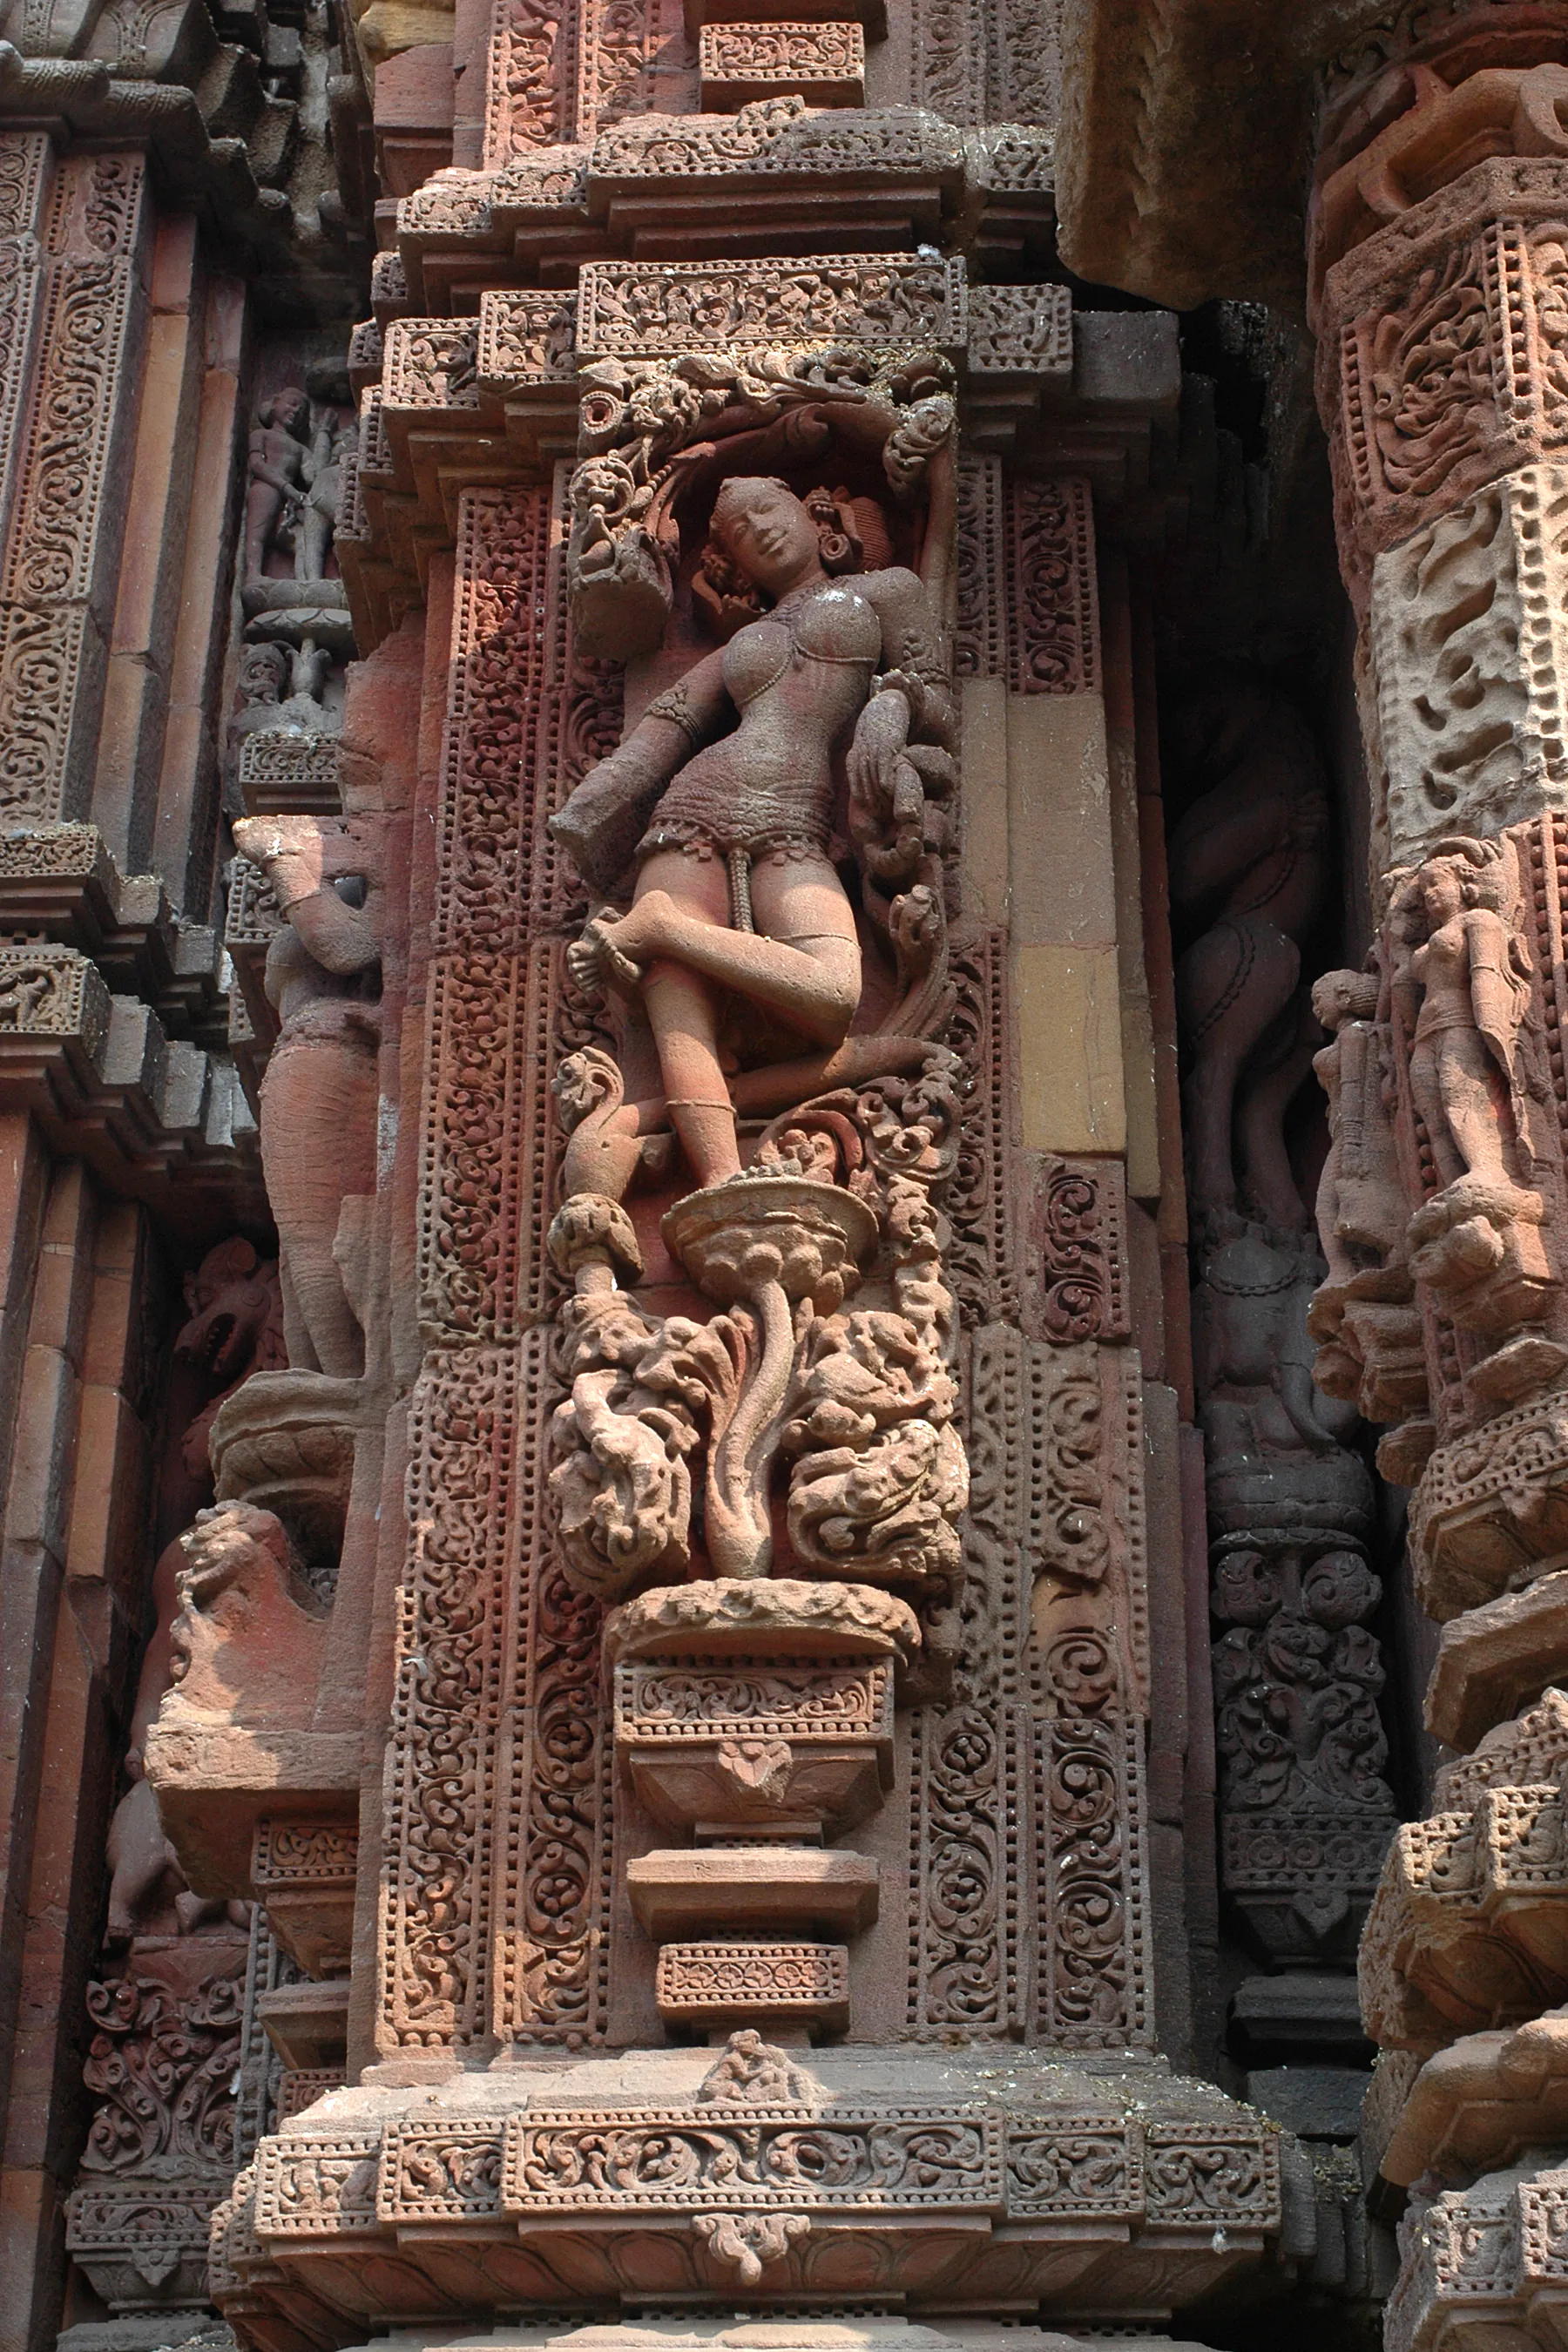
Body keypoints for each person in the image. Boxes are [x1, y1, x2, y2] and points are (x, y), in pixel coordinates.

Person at [551, 475, 950, 1189]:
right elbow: (670, 722)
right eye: (736, 534)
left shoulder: (883, 591)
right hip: (691, 810)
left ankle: (661, 928)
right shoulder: (747, 639)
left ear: (815, 512)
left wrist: (894, 702)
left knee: (833, 996)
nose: (758, 530)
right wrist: (591, 808)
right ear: (735, 566)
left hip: (796, 814)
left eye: (768, 509)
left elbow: (938, 699)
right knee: (683, 1020)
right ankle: (722, 1185)